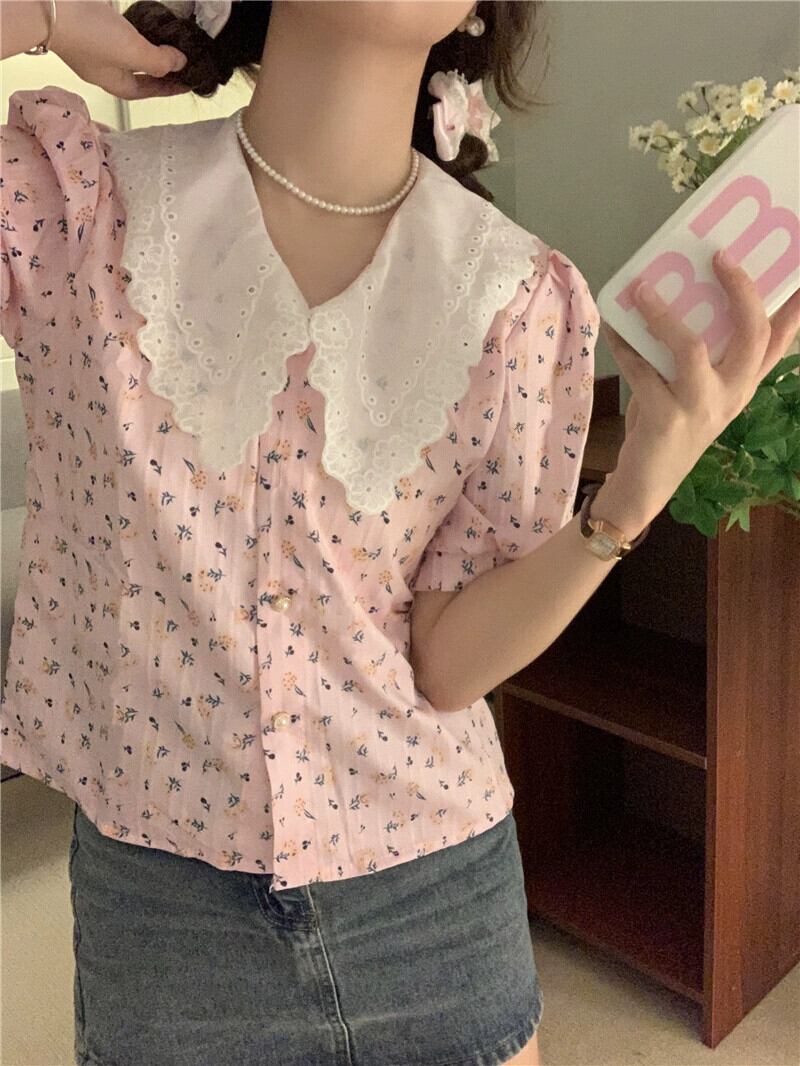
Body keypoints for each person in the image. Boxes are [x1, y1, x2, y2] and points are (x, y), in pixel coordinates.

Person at [1, 3, 798, 1065]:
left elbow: (447, 661)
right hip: (164, 919)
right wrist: (43, 16)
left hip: (433, 894)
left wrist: (635, 491)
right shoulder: (67, 198)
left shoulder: (518, 296)